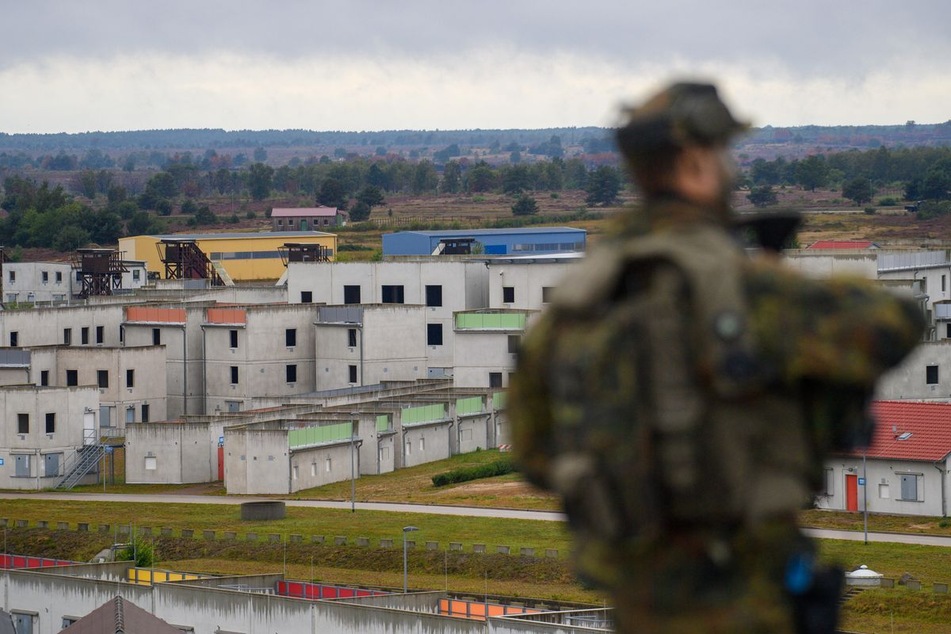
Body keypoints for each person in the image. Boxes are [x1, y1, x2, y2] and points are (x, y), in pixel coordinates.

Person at [509, 82, 924, 634]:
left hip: (639, 604)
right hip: (747, 599)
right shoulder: (743, 293)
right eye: (724, 154)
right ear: (696, 160)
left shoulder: (574, 307)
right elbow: (894, 324)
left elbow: (535, 454)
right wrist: (776, 283)